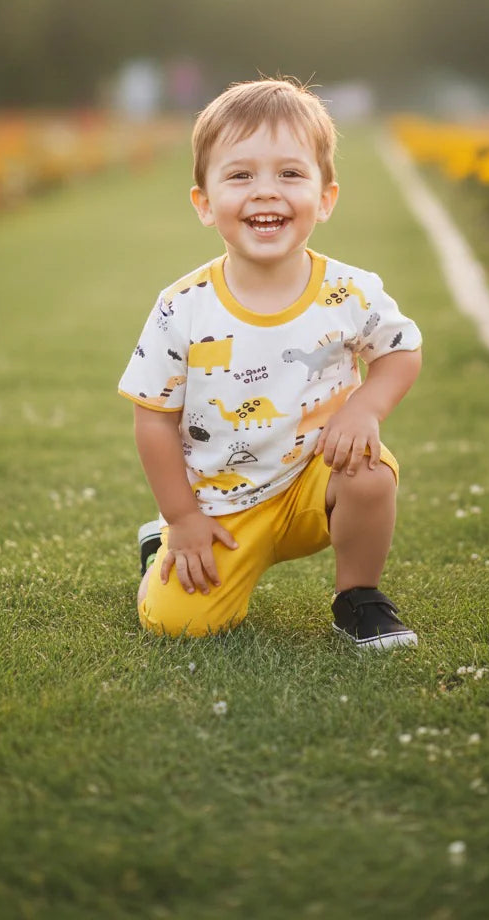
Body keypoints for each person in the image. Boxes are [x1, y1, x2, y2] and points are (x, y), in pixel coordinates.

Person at [118, 77, 423, 648]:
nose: (265, 192)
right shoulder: (182, 308)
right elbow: (152, 418)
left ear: (325, 197)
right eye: (240, 175)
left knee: (370, 470)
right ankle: (160, 540)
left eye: (290, 173)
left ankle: (358, 597)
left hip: (316, 480)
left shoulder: (349, 291)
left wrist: (365, 407)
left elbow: (401, 350)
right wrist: (183, 518)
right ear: (204, 204)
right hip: (222, 502)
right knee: (178, 624)